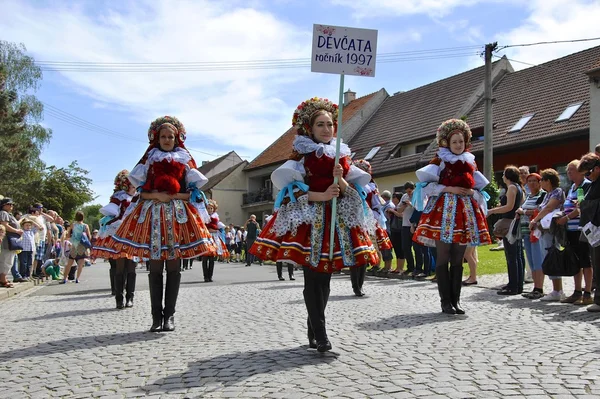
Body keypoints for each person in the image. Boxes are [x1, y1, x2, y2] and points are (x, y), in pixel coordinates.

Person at [249, 97, 378, 352]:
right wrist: (321, 195)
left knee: (326, 279)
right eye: (320, 124)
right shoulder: (301, 157)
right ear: (309, 128)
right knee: (313, 279)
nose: (327, 129)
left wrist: (340, 182)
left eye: (330, 124)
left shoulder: (342, 156)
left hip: (336, 221)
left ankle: (313, 330)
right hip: (310, 222)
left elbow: (353, 191)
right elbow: (290, 193)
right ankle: (321, 333)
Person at [103, 116, 216, 332]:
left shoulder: (184, 162)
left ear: (176, 139)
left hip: (177, 217)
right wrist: (155, 194)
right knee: (155, 267)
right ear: (156, 138)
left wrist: (172, 197)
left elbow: (191, 194)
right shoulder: (149, 161)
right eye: (163, 136)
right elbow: (141, 192)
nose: (166, 140)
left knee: (173, 266)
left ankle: (169, 316)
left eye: (170, 137)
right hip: (152, 217)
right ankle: (156, 317)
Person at [413, 119, 492, 315]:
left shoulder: (470, 162)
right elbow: (425, 186)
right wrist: (450, 188)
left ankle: (456, 300)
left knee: (458, 258)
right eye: (454, 141)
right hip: (443, 212)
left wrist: (471, 193)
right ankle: (445, 302)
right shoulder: (440, 160)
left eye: (461, 141)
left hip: (464, 212)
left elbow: (478, 188)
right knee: (443, 256)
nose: (458, 145)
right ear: (447, 143)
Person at [92, 170, 138, 309]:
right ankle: (119, 298)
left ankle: (130, 297)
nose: (135, 187)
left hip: (134, 234)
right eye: (132, 185)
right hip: (119, 232)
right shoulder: (118, 197)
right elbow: (112, 213)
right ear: (125, 185)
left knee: (131, 267)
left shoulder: (139, 197)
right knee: (120, 267)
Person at [352, 159, 392, 295]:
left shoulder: (372, 187)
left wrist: (375, 217)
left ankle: (360, 284)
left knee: (366, 253)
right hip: (354, 222)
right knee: (356, 253)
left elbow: (377, 205)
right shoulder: (351, 185)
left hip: (369, 221)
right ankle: (355, 285)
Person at [557, 160, 593, 305]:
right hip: (570, 230)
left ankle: (588, 292)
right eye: (568, 171)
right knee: (575, 261)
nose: (569, 173)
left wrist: (566, 217)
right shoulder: (572, 187)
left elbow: (581, 207)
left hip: (582, 229)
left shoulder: (587, 185)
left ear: (580, 171)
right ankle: (576, 291)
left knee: (585, 261)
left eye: (572, 170)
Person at [528, 169, 566, 301]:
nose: (540, 182)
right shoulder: (548, 194)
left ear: (548, 181)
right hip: (545, 231)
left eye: (542, 180)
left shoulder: (557, 192)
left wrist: (535, 219)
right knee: (548, 257)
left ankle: (558, 290)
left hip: (552, 230)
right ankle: (556, 289)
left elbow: (549, 208)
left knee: (551, 256)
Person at [488, 166, 524, 295]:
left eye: (504, 174)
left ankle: (513, 286)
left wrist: (492, 211)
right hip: (515, 222)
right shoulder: (519, 188)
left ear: (507, 176)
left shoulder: (512, 188)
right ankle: (517, 284)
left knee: (511, 255)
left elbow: (509, 207)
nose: (502, 176)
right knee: (517, 254)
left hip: (509, 223)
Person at [575, 153, 600, 311]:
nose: (587, 177)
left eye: (588, 173)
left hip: (597, 229)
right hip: (594, 232)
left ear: (597, 168)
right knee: (596, 263)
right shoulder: (593, 184)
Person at [517, 173, 547, 299]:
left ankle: (539, 288)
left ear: (540, 182)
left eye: (535, 180)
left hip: (536, 232)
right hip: (526, 231)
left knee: (538, 259)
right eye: (530, 181)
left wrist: (523, 211)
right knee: (531, 260)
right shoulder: (529, 196)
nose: (532, 183)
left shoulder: (543, 195)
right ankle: (535, 287)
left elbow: (539, 210)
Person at [60, 211, 91, 284]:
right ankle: (77, 278)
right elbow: (89, 236)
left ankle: (64, 278)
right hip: (82, 245)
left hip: (74, 245)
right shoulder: (85, 226)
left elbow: (68, 235)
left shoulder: (73, 225)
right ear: (83, 217)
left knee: (70, 262)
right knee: (80, 263)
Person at [202, 199, 228, 282]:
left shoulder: (216, 217)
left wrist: (220, 229)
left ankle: (210, 276)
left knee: (212, 259)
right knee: (205, 258)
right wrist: (208, 230)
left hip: (214, 238)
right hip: (206, 237)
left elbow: (220, 226)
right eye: (208, 208)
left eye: (211, 208)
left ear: (213, 209)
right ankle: (205, 276)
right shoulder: (203, 216)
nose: (209, 210)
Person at [0, 198, 22, 288]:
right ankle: (2, 279)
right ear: (4, 205)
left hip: (10, 240)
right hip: (7, 241)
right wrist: (16, 231)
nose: (11, 206)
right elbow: (4, 225)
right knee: (7, 260)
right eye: (9, 204)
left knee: (8, 260)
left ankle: (2, 277)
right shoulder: (3, 213)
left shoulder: (7, 214)